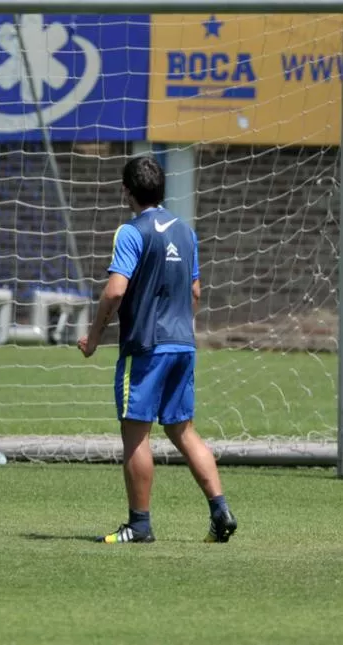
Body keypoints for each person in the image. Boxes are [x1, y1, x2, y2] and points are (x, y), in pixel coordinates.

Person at [78, 155, 237, 544]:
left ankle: (140, 524)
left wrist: (95, 336)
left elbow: (115, 290)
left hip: (147, 345)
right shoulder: (186, 232)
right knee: (183, 429)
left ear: (126, 192)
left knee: (136, 434)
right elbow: (195, 292)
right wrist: (180, 327)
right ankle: (220, 510)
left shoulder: (131, 232)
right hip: (183, 343)